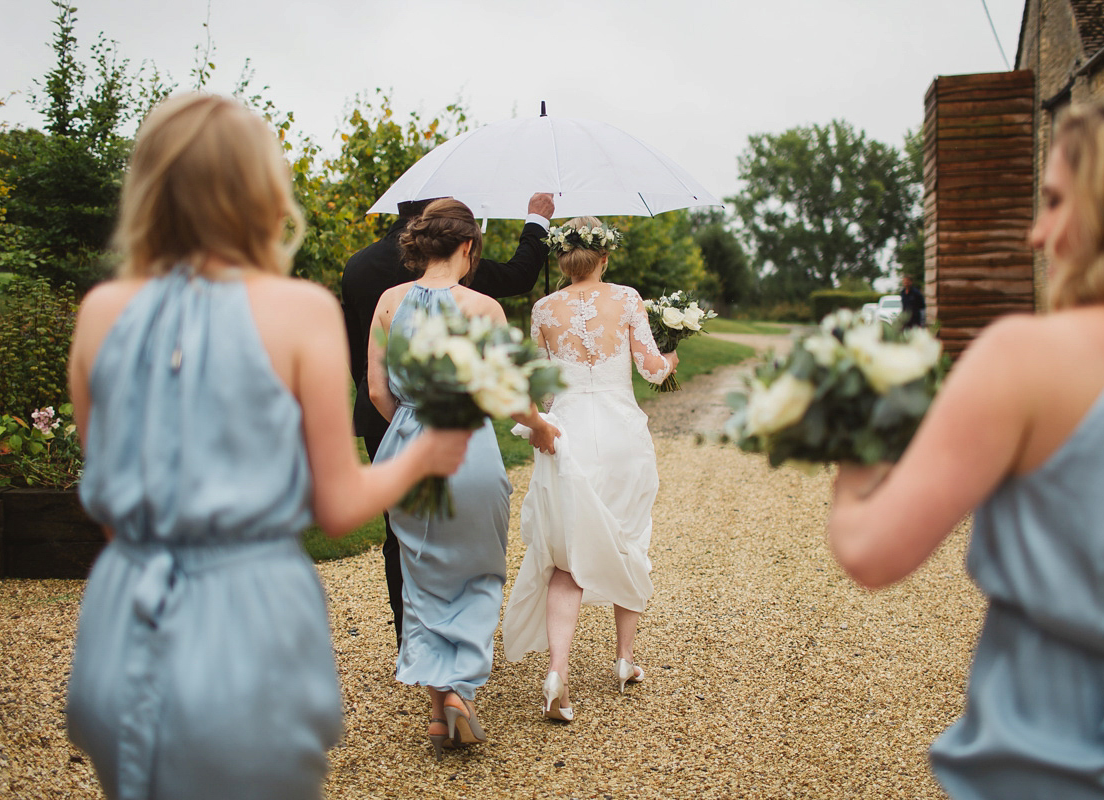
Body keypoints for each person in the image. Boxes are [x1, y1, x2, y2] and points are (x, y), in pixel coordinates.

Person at [63, 93, 472, 800]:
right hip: (245, 612)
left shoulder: (102, 311)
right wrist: (423, 456)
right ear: (261, 188)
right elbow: (338, 503)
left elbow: (108, 509)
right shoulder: (297, 310)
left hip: (124, 610)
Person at [826, 79, 1104, 799]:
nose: (1036, 233)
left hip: (1050, 767)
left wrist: (853, 462)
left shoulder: (1029, 358)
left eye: (1056, 201)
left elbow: (873, 552)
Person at [366, 198, 558, 759]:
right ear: (469, 247)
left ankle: (439, 704)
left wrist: (409, 424)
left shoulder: (387, 302)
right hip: (466, 449)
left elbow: (378, 391)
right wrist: (542, 428)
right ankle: (459, 695)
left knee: (421, 578)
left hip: (404, 451)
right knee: (477, 574)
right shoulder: (485, 309)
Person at [501, 216, 678, 723]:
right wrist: (671, 358)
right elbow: (649, 369)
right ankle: (624, 659)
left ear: (561, 259)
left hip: (569, 433)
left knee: (566, 554)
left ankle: (558, 672)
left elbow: (541, 387)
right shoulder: (626, 299)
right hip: (621, 433)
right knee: (628, 536)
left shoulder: (542, 308)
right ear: (605, 257)